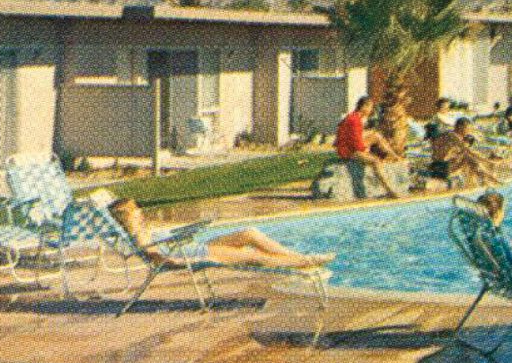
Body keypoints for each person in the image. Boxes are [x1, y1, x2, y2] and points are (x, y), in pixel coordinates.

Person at [110, 198, 333, 270]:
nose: (140, 211)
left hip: (193, 246)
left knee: (249, 232)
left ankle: (297, 256)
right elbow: (157, 257)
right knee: (251, 256)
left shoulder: (141, 230)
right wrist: (179, 261)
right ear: (128, 217)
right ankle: (304, 261)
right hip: (196, 252)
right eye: (135, 210)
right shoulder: (139, 236)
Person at [335, 95, 404, 198]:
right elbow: (356, 144)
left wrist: (367, 141)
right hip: (348, 152)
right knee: (375, 161)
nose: (371, 110)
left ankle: (394, 156)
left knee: (376, 135)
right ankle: (389, 190)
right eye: (370, 107)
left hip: (350, 146)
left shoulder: (355, 117)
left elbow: (355, 137)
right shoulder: (354, 120)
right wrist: (367, 152)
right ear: (364, 107)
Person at [430, 117, 501, 187]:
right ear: (461, 127)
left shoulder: (451, 134)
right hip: (440, 168)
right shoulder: (453, 136)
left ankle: (481, 182)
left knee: (468, 159)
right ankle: (492, 181)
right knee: (469, 159)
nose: (469, 131)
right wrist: (489, 161)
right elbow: (470, 153)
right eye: (468, 128)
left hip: (440, 165)